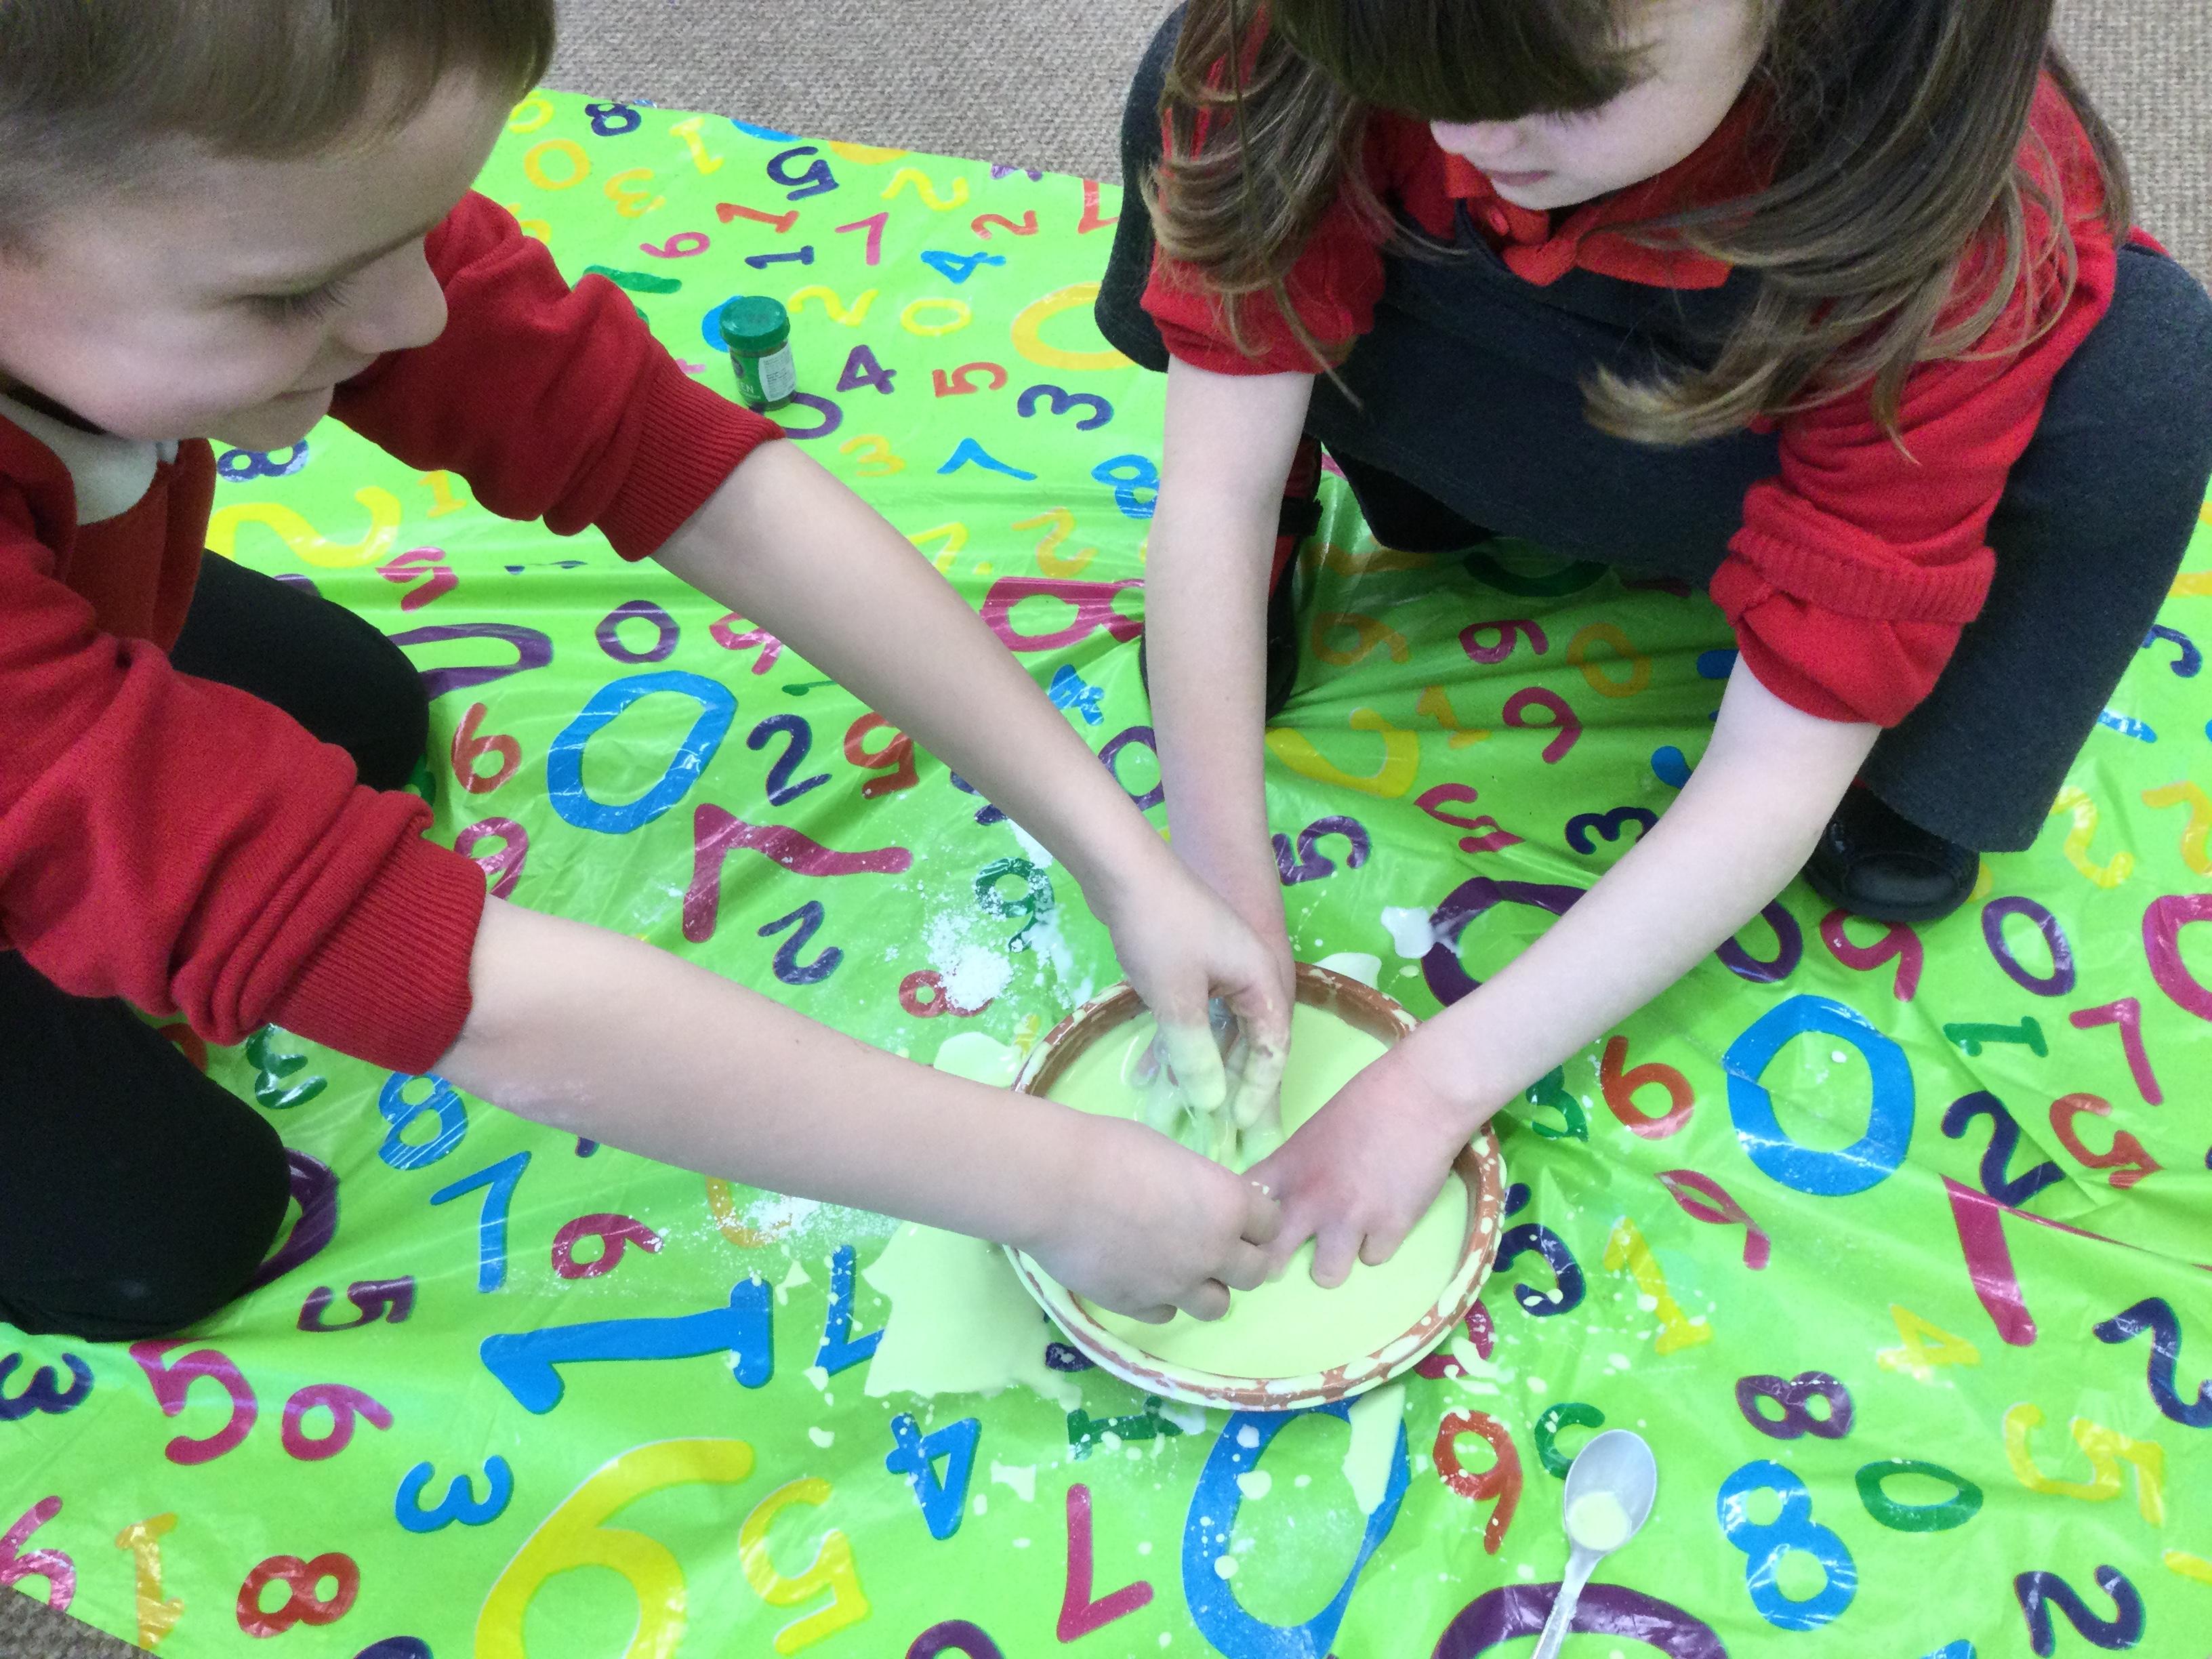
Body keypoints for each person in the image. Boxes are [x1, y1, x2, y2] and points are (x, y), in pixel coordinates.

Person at [0, 0, 1290, 1345]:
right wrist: (1056, 1184)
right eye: (287, 297)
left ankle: (97, 619)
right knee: (170, 1238)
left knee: (364, 721)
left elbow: (679, 465)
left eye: (417, 234)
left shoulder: (280, 219)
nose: (416, 314)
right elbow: (448, 980)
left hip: (56, 580)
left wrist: (1121, 857)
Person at [1095, 0, 2212, 1283]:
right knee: (1205, 84)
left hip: (1754, 436)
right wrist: (1219, 883)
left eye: (1569, 95)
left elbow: (1775, 768)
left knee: (2144, 385)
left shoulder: (1958, 213)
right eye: (1416, 84)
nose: (1467, 137)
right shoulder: (1333, 54)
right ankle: (1383, 488)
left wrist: (1435, 1086)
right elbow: (1211, 492)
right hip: (1477, 362)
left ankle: (1917, 763)